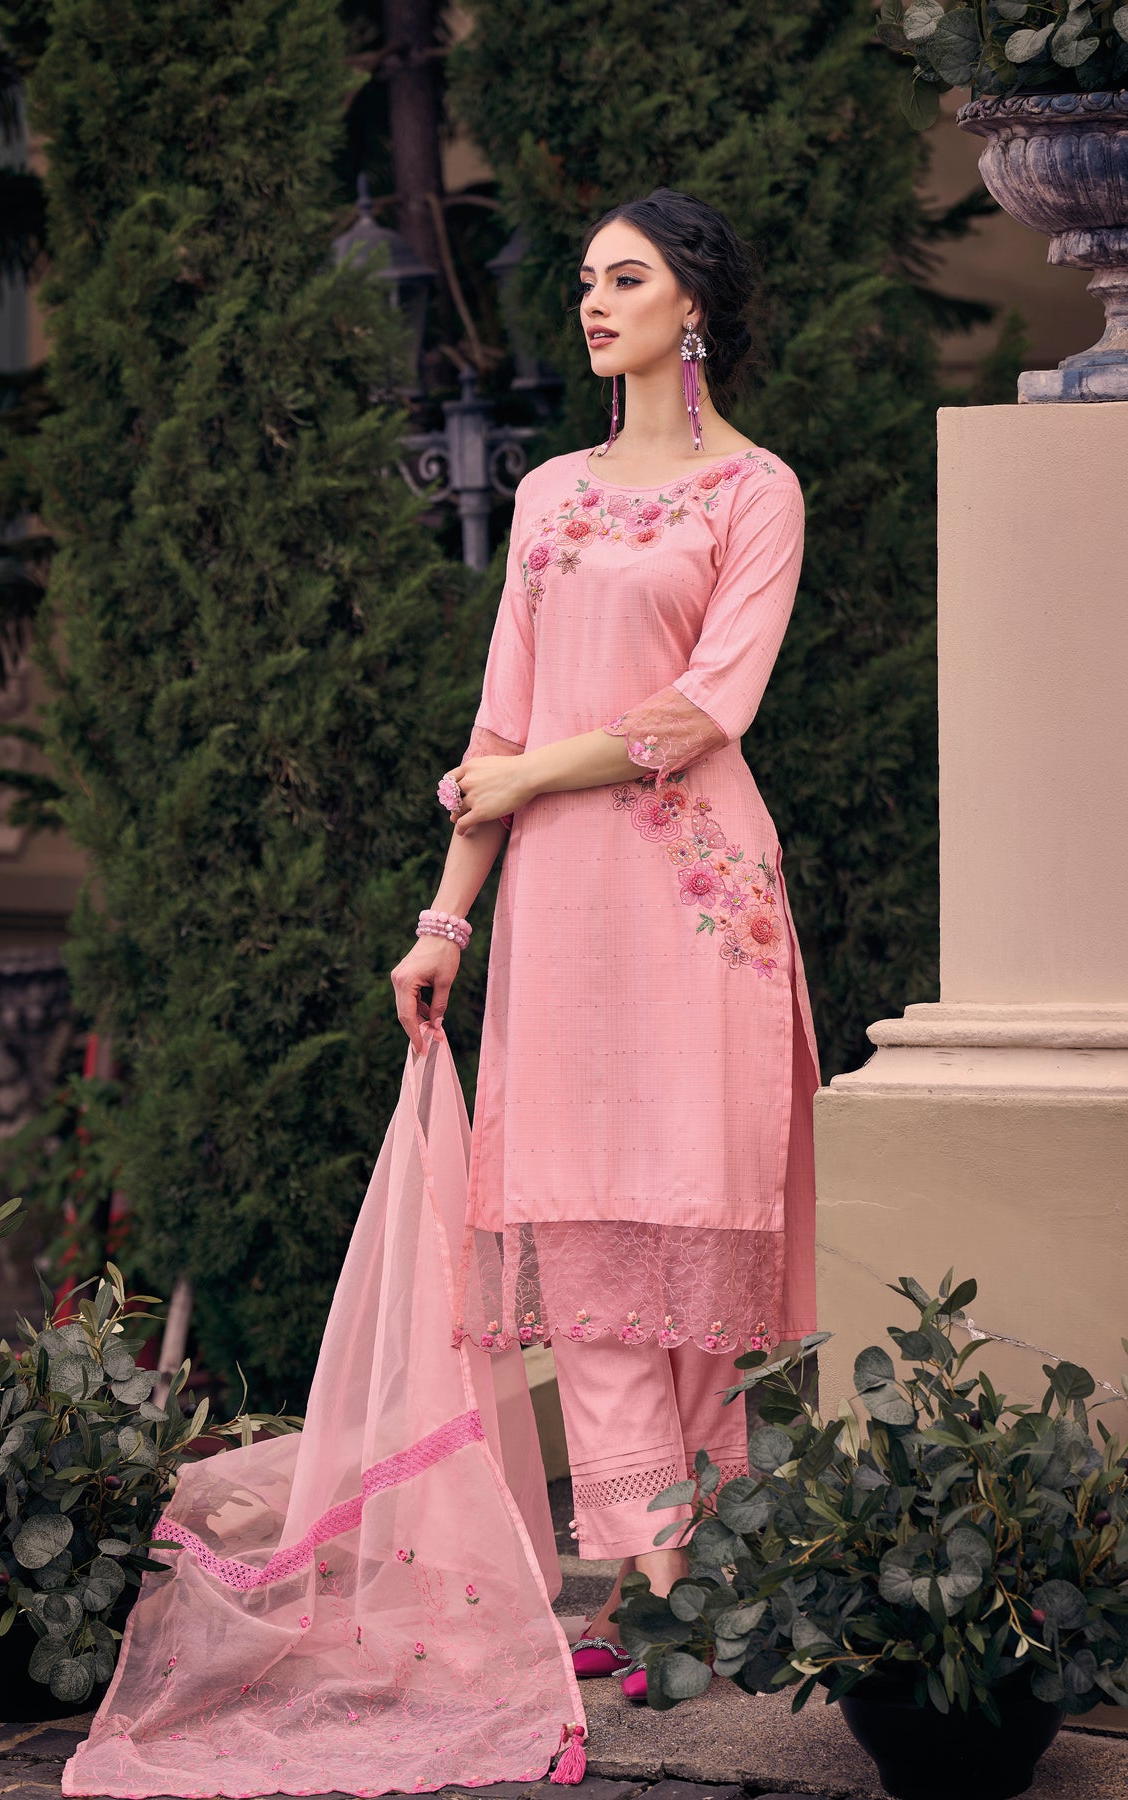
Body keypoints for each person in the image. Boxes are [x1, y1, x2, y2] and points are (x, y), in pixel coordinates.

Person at [391, 187, 820, 1701]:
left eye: (624, 279)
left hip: (701, 903)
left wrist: (523, 782)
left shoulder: (754, 491)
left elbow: (703, 710)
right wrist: (446, 917)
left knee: (690, 1231)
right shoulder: (551, 491)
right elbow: (497, 726)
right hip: (563, 909)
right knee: (579, 1229)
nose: (592, 301)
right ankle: (662, 1584)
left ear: (690, 305)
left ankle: (676, 1582)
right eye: (584, 279)